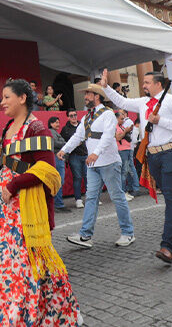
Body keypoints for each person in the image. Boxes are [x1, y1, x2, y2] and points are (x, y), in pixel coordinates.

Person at [0, 79, 81, 325]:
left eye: (7, 97)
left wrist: (13, 185)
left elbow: (47, 170)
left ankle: (22, 319)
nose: (2, 103)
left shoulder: (36, 128)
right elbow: (8, 162)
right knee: (15, 266)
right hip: (6, 213)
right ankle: (56, 314)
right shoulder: (8, 127)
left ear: (22, 98)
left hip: (27, 211)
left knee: (28, 267)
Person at [100, 69, 172, 264]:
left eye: (147, 82)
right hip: (153, 155)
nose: (143, 85)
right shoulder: (143, 103)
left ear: (158, 84)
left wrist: (161, 120)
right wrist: (106, 88)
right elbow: (122, 102)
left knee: (171, 198)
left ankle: (167, 246)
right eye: (143, 83)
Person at [59, 84, 135, 248]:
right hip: (93, 165)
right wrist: (64, 150)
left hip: (108, 162)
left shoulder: (107, 114)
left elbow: (108, 136)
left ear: (97, 96)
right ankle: (85, 236)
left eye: (88, 93)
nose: (85, 96)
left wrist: (96, 153)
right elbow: (78, 136)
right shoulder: (87, 117)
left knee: (117, 197)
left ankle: (128, 233)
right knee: (91, 198)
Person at [116, 109, 146, 200]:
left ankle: (130, 189)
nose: (123, 120)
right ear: (116, 119)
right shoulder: (116, 127)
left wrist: (126, 131)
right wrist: (126, 131)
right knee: (124, 171)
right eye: (121, 119)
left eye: (123, 118)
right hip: (122, 150)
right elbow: (118, 137)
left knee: (128, 170)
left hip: (128, 149)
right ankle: (124, 191)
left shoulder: (121, 126)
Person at [61, 109, 87, 208]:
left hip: (85, 154)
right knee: (77, 177)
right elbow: (66, 143)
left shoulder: (82, 126)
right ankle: (78, 199)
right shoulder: (65, 129)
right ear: (68, 117)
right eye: (71, 116)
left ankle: (91, 197)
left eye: (75, 115)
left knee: (88, 176)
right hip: (74, 156)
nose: (74, 117)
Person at [48, 117, 71, 213]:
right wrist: (67, 144)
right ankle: (59, 204)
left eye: (58, 122)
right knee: (59, 181)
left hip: (57, 158)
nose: (58, 124)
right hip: (57, 158)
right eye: (56, 122)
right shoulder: (51, 132)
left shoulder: (53, 132)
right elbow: (54, 143)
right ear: (51, 124)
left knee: (58, 181)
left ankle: (58, 203)